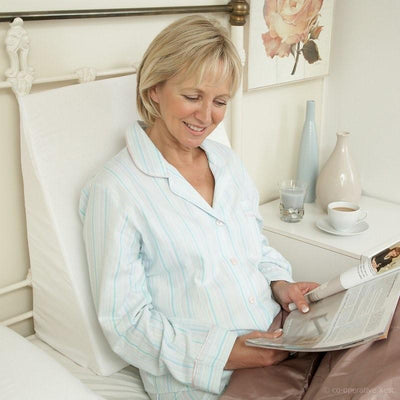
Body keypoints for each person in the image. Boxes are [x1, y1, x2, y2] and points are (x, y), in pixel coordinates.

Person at [79, 15, 319, 399]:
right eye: (192, 97)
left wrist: (279, 283)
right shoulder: (116, 190)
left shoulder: (226, 162)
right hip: (213, 377)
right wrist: (230, 354)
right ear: (154, 88)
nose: (206, 117)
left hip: (278, 337)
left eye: (219, 102)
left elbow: (253, 246)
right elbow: (126, 324)